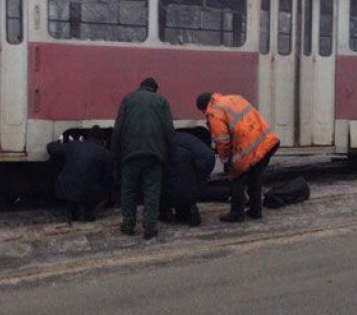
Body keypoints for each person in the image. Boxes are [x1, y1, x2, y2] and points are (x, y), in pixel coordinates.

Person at [196, 92, 280, 223]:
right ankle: (255, 211)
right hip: (267, 140)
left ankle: (237, 214)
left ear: (204, 107)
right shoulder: (234, 98)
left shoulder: (214, 112)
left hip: (250, 146)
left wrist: (226, 161)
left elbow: (222, 141)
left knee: (236, 177)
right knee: (255, 177)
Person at [111, 77, 177, 240]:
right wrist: (172, 156)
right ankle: (149, 228)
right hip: (154, 155)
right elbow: (169, 130)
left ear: (140, 87)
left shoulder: (128, 99)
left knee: (128, 191)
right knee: (152, 191)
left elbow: (118, 129)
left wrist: (115, 155)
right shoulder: (161, 101)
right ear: (155, 89)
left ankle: (128, 226)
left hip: (130, 154)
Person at [46, 126, 114, 222]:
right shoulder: (106, 154)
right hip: (88, 190)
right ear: (103, 140)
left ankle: (72, 210)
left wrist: (59, 141)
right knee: (100, 185)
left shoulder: (74, 145)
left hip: (66, 189)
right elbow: (107, 178)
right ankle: (87, 211)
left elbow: (51, 148)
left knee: (75, 184)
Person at [160, 131, 216, 227]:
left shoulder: (170, 143)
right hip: (208, 157)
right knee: (193, 187)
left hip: (202, 160)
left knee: (191, 188)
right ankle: (186, 210)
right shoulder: (179, 137)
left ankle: (187, 210)